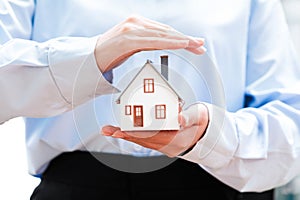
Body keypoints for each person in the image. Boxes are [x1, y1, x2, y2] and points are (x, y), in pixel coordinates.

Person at [1, 0, 300, 200]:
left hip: (217, 184)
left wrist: (212, 135)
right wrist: (93, 57)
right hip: (76, 187)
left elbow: (291, 126)